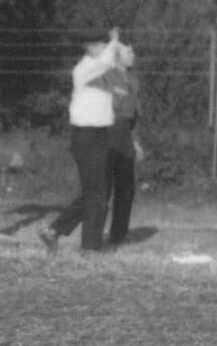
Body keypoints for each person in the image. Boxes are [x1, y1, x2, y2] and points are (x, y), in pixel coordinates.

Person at [40, 28, 124, 252]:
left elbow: (115, 67)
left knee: (95, 191)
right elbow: (108, 59)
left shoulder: (100, 73)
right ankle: (90, 247)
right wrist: (115, 41)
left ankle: (54, 230)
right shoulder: (85, 68)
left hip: (98, 135)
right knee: (97, 192)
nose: (105, 48)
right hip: (85, 136)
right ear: (90, 47)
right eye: (101, 45)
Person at [101, 41, 146, 246]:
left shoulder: (134, 81)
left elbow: (135, 116)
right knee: (103, 188)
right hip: (107, 131)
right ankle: (93, 234)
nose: (133, 55)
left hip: (125, 135)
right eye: (129, 52)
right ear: (117, 56)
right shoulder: (106, 76)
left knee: (126, 188)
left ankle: (118, 234)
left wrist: (135, 141)